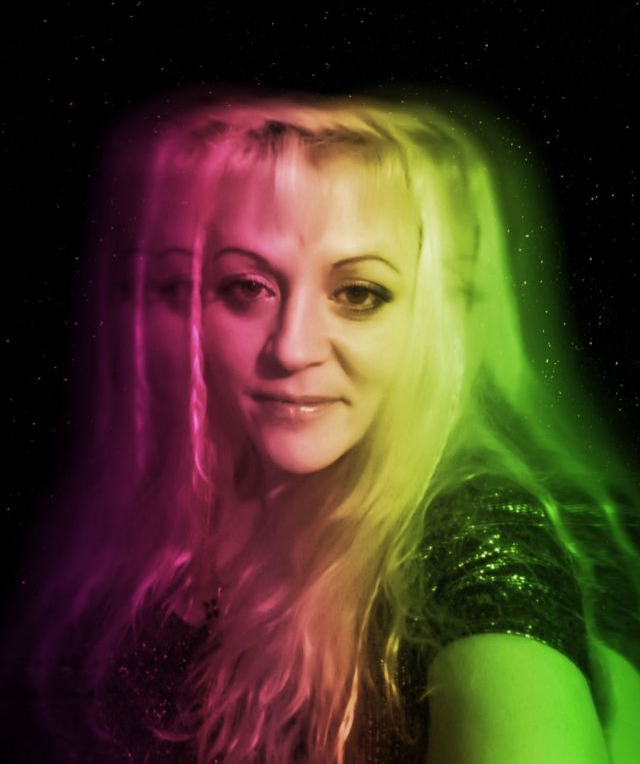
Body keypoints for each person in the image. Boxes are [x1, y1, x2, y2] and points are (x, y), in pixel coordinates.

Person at [4, 87, 639, 763]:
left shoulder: (470, 537)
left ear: (436, 320)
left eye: (358, 293)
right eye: (247, 287)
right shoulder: (179, 515)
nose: (292, 347)